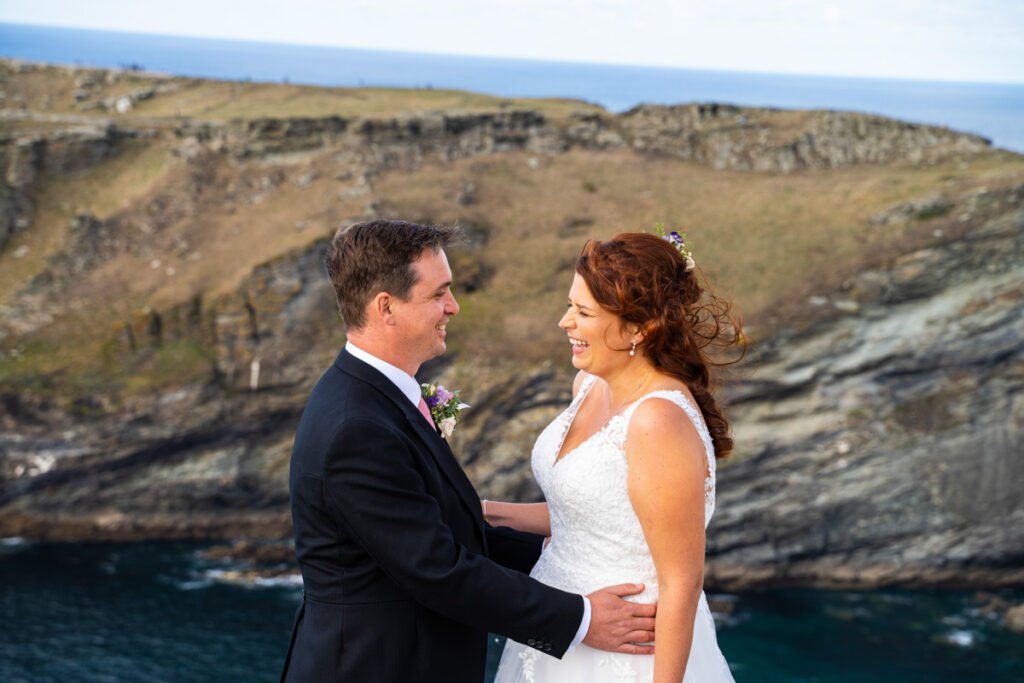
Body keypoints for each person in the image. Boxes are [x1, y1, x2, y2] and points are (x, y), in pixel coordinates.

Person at [280, 220, 657, 683]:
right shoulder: (355, 428)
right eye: (439, 294)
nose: (453, 307)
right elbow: (439, 570)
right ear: (386, 308)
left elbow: (445, 528)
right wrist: (581, 619)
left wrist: (569, 555)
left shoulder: (378, 395)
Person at [491, 231, 742, 682]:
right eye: (570, 305)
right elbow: (593, 514)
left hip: (627, 653)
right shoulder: (588, 386)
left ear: (639, 328)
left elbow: (681, 585)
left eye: (583, 312)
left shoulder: (657, 421)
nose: (565, 322)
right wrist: (485, 512)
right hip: (564, 631)